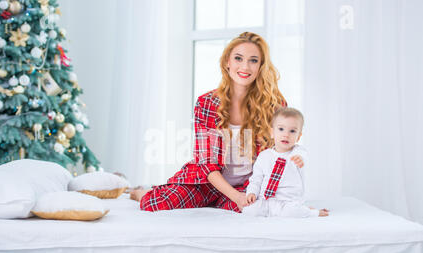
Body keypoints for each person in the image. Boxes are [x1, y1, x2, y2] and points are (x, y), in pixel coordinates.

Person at [130, 31, 303, 213]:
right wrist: (235, 197)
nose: (245, 66)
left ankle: (216, 202)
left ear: (261, 66)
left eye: (253, 60)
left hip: (249, 185)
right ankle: (142, 192)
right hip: (207, 181)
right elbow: (206, 163)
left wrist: (294, 205)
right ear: (227, 62)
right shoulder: (206, 103)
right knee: (155, 204)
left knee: (255, 210)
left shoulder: (275, 106)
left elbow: (281, 152)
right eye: (238, 58)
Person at [243, 107, 329, 218]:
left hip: (288, 202)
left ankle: (311, 212)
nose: (286, 134)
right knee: (249, 211)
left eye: (292, 131)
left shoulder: (298, 153)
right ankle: (270, 210)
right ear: (272, 132)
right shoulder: (264, 156)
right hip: (266, 201)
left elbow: (303, 157)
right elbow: (256, 179)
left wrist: (300, 159)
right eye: (281, 129)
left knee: (291, 213)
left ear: (298, 137)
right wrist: (252, 193)